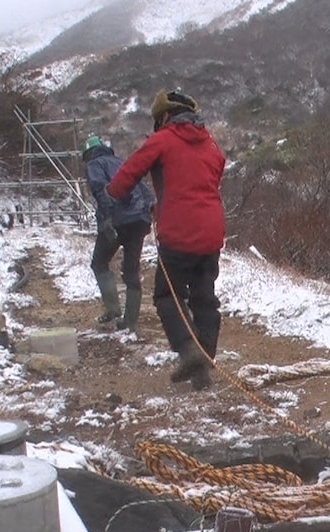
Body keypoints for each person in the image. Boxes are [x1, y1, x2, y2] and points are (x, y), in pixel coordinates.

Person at [107, 89, 226, 390]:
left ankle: (188, 351)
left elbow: (127, 174)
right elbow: (217, 169)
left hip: (178, 231)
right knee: (204, 297)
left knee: (167, 295)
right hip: (212, 230)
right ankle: (203, 365)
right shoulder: (210, 143)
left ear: (164, 116)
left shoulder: (163, 139)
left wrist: (112, 196)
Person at [82, 134, 154, 331]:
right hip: (138, 220)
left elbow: (100, 189)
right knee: (131, 270)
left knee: (99, 262)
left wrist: (107, 216)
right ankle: (130, 322)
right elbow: (146, 193)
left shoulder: (94, 164)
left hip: (117, 220)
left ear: (88, 154)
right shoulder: (121, 162)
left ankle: (113, 309)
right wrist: (147, 215)